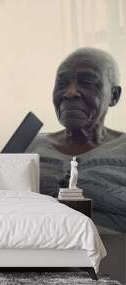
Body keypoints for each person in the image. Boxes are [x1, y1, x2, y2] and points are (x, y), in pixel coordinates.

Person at [27, 47, 126, 233]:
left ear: (113, 95)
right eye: (62, 83)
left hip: (113, 255)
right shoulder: (28, 147)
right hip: (34, 253)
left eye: (87, 82)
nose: (70, 92)